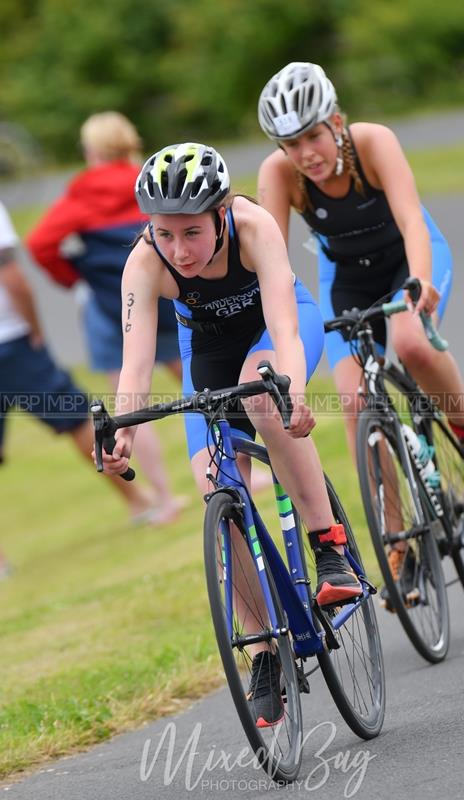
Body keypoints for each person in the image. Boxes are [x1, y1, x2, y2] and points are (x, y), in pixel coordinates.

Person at [96, 141, 362, 726]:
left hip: (277, 324)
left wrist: (289, 387)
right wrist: (122, 433)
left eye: (191, 233)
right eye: (164, 234)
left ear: (219, 215)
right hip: (209, 352)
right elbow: (136, 365)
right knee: (212, 480)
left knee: (264, 397)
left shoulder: (253, 226)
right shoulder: (144, 264)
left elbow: (285, 327)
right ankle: (264, 650)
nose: (178, 250)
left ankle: (330, 546)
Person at [257, 61, 464, 607]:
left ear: (338, 123)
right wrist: (277, 332)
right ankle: (398, 541)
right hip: (345, 280)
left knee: (413, 343)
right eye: (290, 144)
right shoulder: (279, 175)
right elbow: (272, 262)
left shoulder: (374, 143)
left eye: (313, 136)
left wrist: (419, 280)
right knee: (353, 399)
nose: (305, 154)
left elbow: (413, 219)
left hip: (407, 261)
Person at [26, 112, 187, 524]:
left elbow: (41, 242)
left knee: (129, 403)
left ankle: (165, 498)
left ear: (91, 150)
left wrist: (73, 276)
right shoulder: (152, 179)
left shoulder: (82, 193)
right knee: (198, 381)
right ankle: (247, 470)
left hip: (110, 306)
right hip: (168, 293)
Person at [0, 200, 156, 533]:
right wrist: (35, 329)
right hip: (10, 342)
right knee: (76, 417)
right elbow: (11, 276)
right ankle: (138, 500)